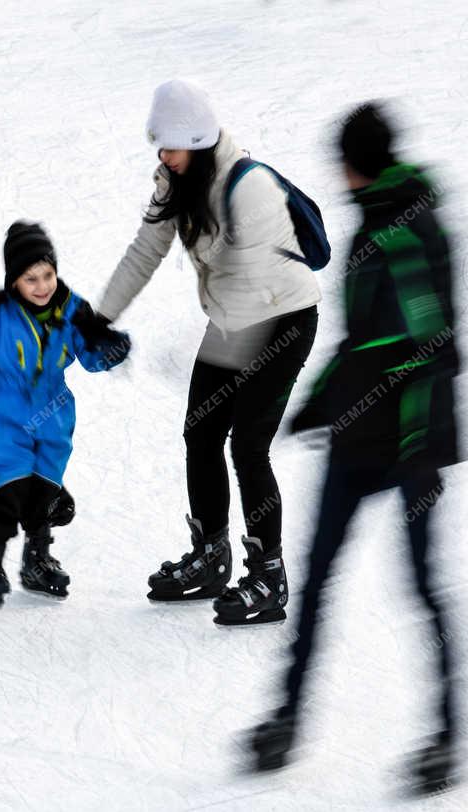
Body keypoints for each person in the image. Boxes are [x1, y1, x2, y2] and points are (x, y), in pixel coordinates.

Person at [248, 103, 462, 796]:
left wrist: (410, 443)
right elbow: (363, 337)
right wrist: (320, 401)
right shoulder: (378, 218)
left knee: (422, 585)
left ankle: (448, 737)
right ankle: (286, 719)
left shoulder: (405, 232)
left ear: (353, 164)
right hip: (362, 436)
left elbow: (429, 346)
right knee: (318, 579)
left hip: (410, 441)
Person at [96, 79, 320, 620]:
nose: (163, 155)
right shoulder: (176, 182)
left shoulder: (251, 188)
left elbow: (249, 278)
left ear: (196, 142)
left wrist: (213, 366)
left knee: (247, 446)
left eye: (170, 146)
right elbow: (145, 250)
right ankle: (211, 554)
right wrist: (98, 318)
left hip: (283, 320)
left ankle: (269, 576)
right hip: (233, 319)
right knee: (201, 433)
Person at [0, 221, 131, 607]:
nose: (42, 286)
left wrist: (108, 350)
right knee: (10, 488)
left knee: (43, 492)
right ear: (14, 281)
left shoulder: (73, 310)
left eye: (48, 275)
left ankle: (37, 559)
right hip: (4, 415)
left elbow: (89, 356)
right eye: (30, 278)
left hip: (55, 416)